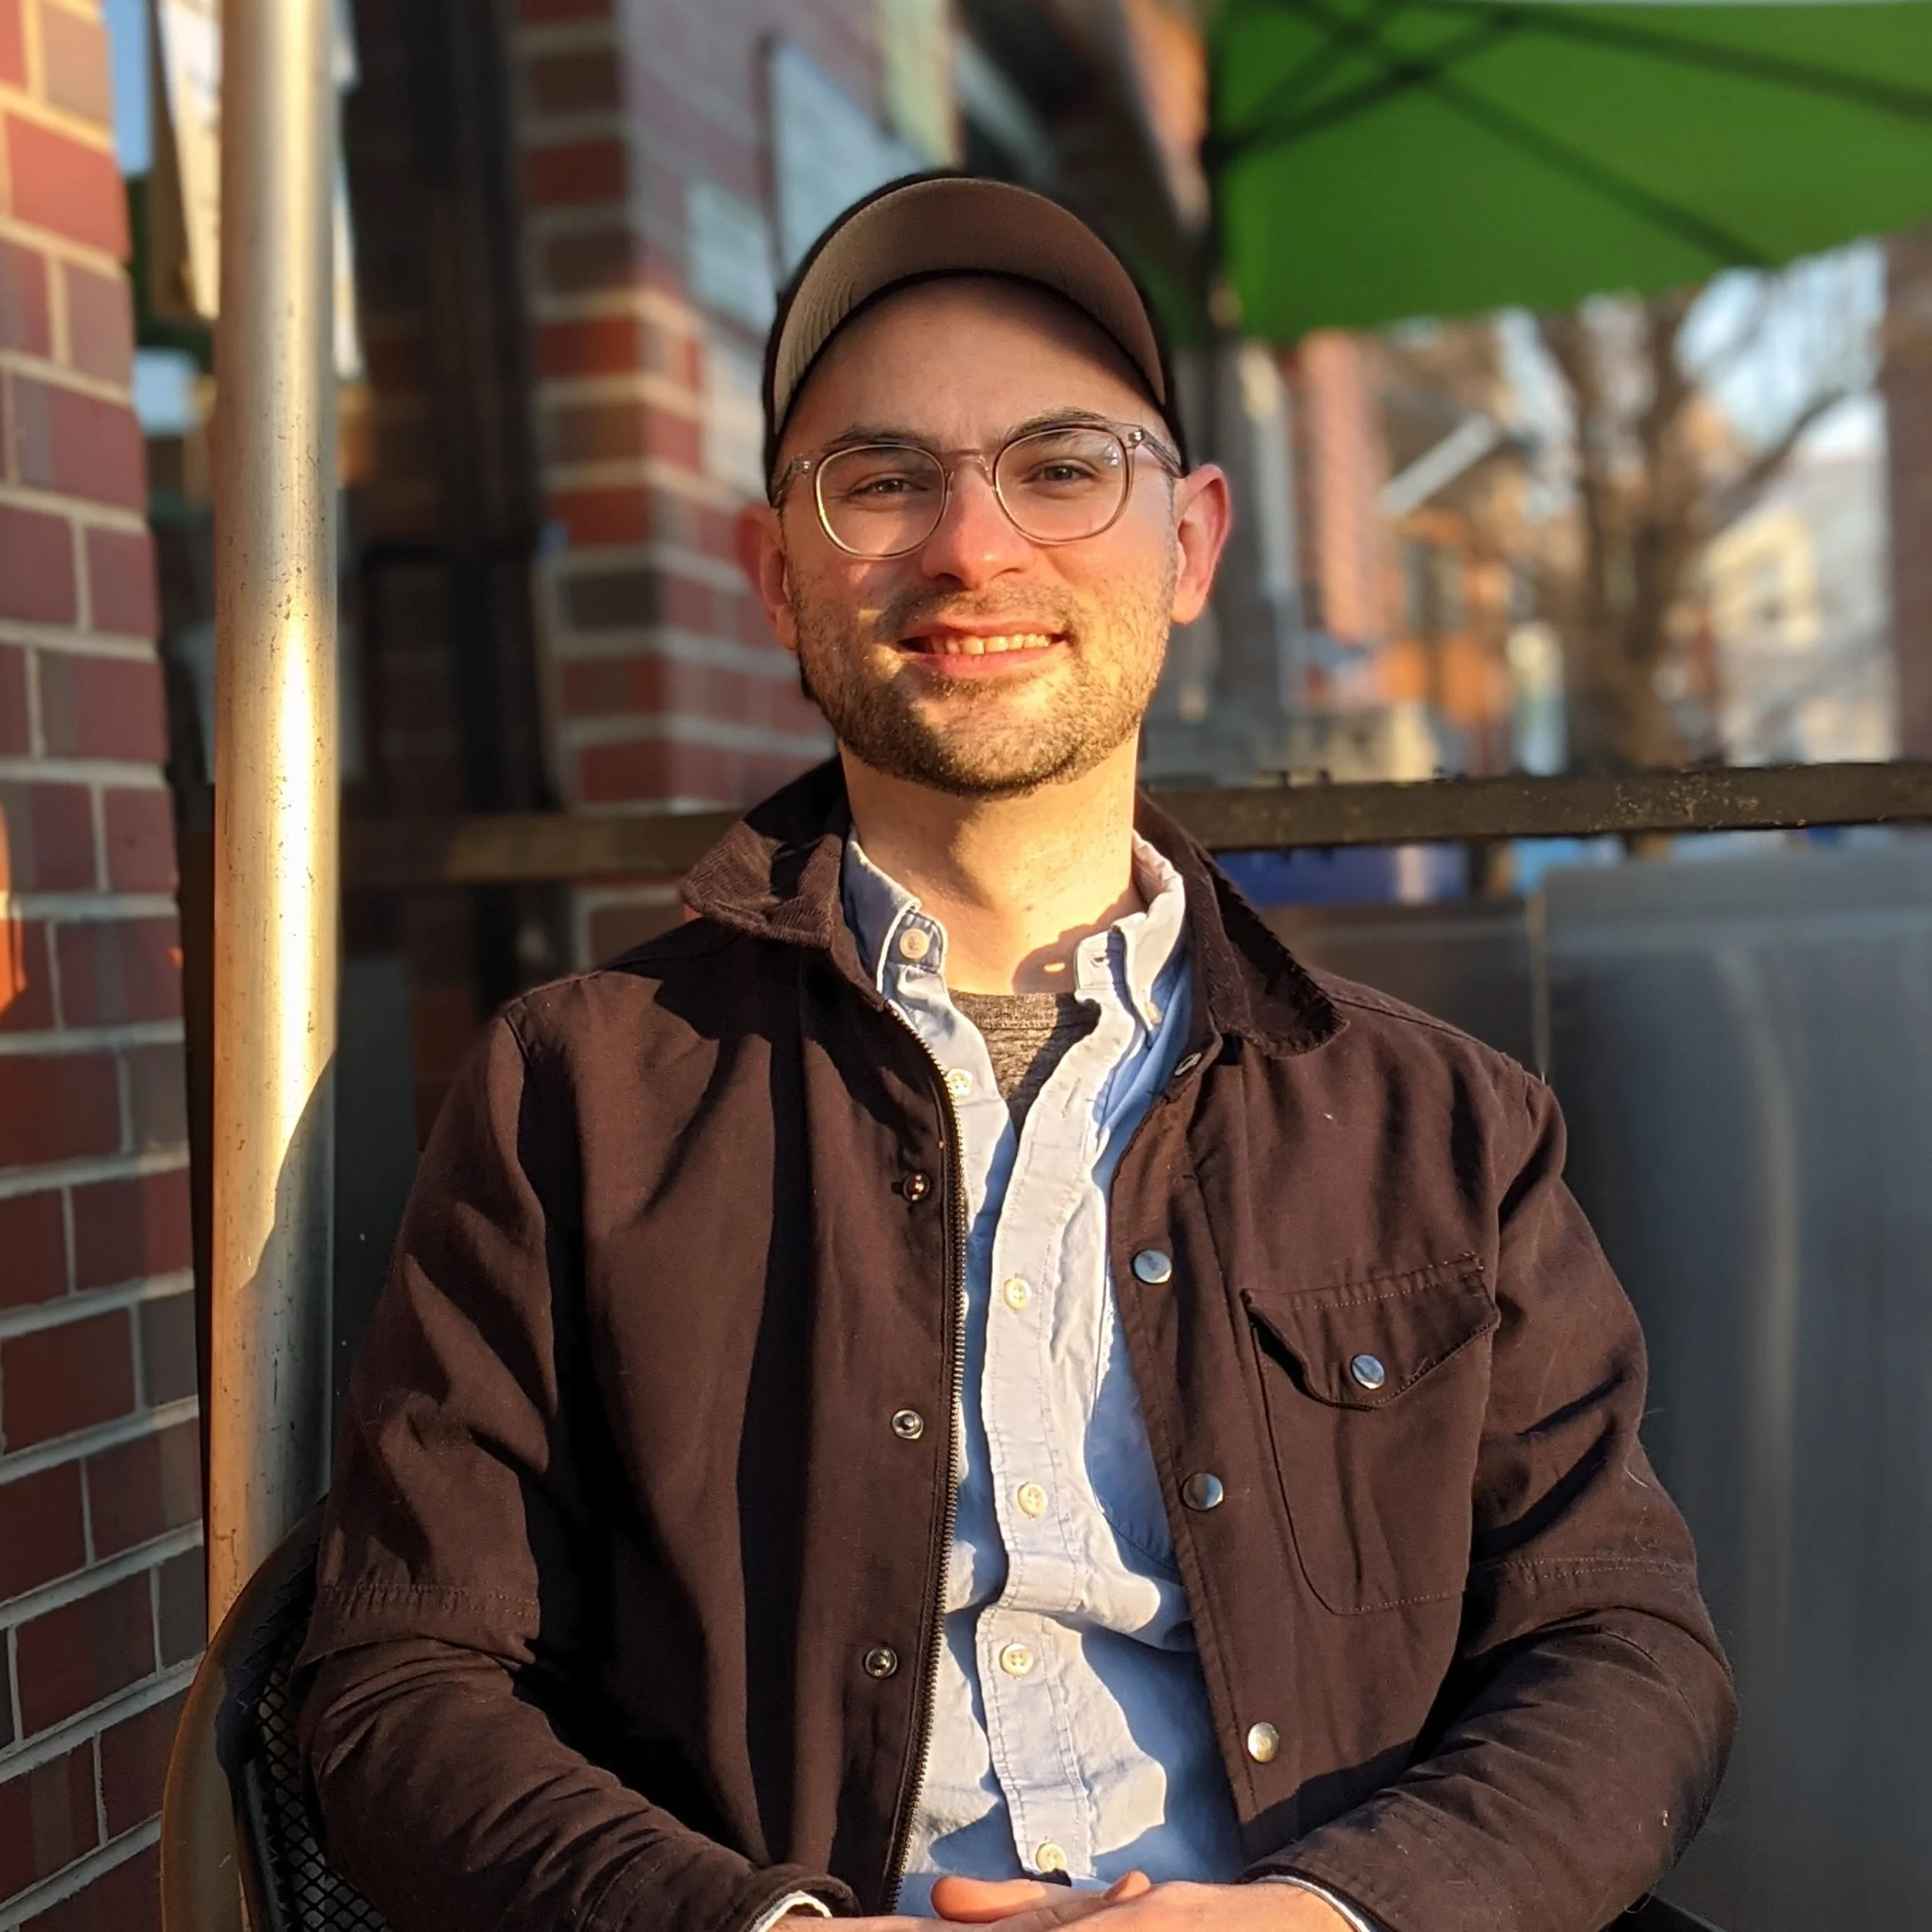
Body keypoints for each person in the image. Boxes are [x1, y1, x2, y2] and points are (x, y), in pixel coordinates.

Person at [297, 176, 1734, 1932]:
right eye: (883, 479)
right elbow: (396, 1679)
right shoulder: (570, 1099)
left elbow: (1617, 1640)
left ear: (1190, 542)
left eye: (1062, 469)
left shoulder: (1445, 1127)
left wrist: (1328, 1916)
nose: (973, 548)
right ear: (774, 574)